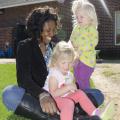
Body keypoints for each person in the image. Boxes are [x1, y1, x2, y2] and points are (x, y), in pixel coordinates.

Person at [2, 6, 104, 120]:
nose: (51, 34)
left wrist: (71, 83)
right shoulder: (25, 46)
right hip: (38, 95)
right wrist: (43, 95)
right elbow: (23, 79)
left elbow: (65, 72)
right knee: (9, 94)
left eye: (53, 30)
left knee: (97, 94)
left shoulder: (56, 48)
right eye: (47, 30)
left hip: (61, 94)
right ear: (37, 29)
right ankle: (72, 115)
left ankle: (66, 113)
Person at [43, 41, 114, 120]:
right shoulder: (54, 75)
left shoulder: (68, 73)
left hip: (63, 97)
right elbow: (53, 94)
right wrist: (68, 88)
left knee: (80, 93)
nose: (67, 66)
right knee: (68, 103)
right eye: (63, 63)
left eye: (70, 63)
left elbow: (68, 88)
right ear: (55, 62)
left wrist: (72, 90)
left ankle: (96, 114)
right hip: (52, 100)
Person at [69, 0, 99, 90]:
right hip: (76, 58)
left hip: (87, 61)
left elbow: (93, 42)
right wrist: (71, 46)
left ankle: (87, 96)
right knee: (76, 78)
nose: (78, 19)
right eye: (77, 17)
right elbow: (72, 39)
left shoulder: (92, 29)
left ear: (90, 17)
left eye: (82, 17)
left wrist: (81, 49)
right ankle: (80, 95)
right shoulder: (76, 28)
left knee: (83, 79)